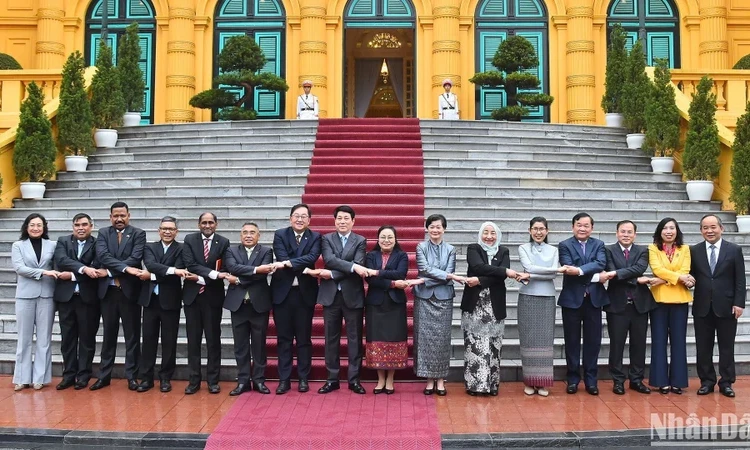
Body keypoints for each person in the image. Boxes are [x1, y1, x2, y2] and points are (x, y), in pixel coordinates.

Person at [310, 205, 368, 395]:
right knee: (330, 339)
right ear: (334, 221)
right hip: (331, 297)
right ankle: (332, 379)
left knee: (354, 339)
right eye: (339, 218)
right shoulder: (326, 239)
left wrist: (332, 274)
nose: (342, 222)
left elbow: (359, 264)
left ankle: (354, 380)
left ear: (353, 221)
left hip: (353, 296)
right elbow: (330, 259)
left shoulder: (360, 240)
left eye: (346, 218)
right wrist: (351, 269)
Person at [461, 222, 523, 396]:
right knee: (475, 345)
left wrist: (480, 280)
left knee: (493, 346)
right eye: (486, 232)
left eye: (493, 233)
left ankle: (492, 385)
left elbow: (499, 278)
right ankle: (474, 385)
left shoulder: (503, 251)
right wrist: (503, 270)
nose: (489, 236)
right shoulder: (473, 248)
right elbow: (478, 267)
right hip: (475, 305)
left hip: (494, 305)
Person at [598, 220, 658, 395]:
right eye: (623, 231)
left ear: (635, 235)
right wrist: (635, 279)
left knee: (638, 345)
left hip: (640, 305)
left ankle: (636, 380)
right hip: (617, 306)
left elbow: (639, 268)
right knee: (617, 345)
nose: (626, 235)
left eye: (629, 232)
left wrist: (618, 273)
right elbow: (610, 269)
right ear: (617, 233)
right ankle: (618, 381)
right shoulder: (607, 250)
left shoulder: (642, 251)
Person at [92, 202, 147, 391]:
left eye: (122, 215)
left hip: (129, 292)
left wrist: (108, 272)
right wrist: (123, 269)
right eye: (115, 215)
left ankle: (132, 377)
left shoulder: (138, 234)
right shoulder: (103, 233)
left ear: (128, 216)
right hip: (107, 293)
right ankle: (104, 376)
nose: (119, 219)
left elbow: (135, 258)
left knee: (132, 337)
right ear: (110, 217)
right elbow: (102, 256)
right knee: (108, 336)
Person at [691, 214, 746, 398]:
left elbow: (740, 279)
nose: (709, 231)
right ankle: (706, 381)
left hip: (727, 306)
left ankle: (726, 382)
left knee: (726, 347)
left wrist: (739, 303)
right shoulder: (694, 251)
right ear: (701, 231)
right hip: (702, 306)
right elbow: (690, 275)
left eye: (713, 227)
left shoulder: (734, 250)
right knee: (703, 347)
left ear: (721, 228)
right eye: (705, 228)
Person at [136, 216, 192, 393]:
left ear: (176, 232)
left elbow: (179, 271)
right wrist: (171, 270)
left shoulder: (182, 249)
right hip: (150, 301)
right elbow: (151, 264)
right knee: (148, 341)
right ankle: (146, 378)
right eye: (164, 228)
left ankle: (165, 378)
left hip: (171, 302)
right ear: (159, 230)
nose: (167, 231)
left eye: (171, 229)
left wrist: (152, 275)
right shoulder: (149, 247)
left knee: (169, 342)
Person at [411, 214, 465, 396]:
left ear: (444, 229)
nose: (435, 230)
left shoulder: (450, 249)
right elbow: (424, 269)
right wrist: (447, 278)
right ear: (427, 229)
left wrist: (424, 280)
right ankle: (428, 380)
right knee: (424, 339)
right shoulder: (421, 247)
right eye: (432, 227)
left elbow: (448, 271)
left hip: (443, 299)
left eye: (438, 227)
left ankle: (441, 380)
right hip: (424, 299)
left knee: (442, 340)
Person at [270, 204, 321, 395]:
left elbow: (312, 257)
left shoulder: (315, 237)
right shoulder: (280, 234)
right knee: (283, 339)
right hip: (282, 294)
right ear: (290, 218)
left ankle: (303, 378)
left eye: (304, 217)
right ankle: (284, 379)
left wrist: (289, 263)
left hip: (304, 295)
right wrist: (295, 261)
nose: (300, 219)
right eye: (296, 216)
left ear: (309, 220)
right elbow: (281, 255)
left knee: (303, 339)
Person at [558, 212, 608, 395]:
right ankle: (572, 379)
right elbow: (567, 266)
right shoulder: (564, 245)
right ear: (573, 227)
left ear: (592, 228)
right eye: (579, 225)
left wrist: (579, 270)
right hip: (572, 300)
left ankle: (591, 381)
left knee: (593, 342)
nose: (582, 228)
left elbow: (600, 263)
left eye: (586, 225)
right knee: (571, 341)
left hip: (594, 300)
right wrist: (590, 273)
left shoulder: (599, 244)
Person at [182, 212, 231, 395]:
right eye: (204, 222)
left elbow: (225, 268)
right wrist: (211, 275)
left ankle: (213, 381)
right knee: (193, 340)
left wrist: (204, 277)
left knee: (213, 340)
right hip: (192, 298)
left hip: (213, 298)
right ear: (198, 224)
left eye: (211, 222)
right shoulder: (189, 240)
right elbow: (190, 264)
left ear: (216, 224)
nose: (207, 225)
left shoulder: (223, 242)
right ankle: (194, 381)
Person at [223, 222, 275, 396]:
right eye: (245, 232)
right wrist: (255, 269)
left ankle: (259, 380)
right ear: (240, 235)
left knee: (259, 345)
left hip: (258, 304)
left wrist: (238, 280)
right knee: (241, 345)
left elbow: (262, 274)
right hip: (238, 305)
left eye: (252, 232)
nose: (248, 235)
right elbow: (232, 268)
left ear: (258, 236)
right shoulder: (231, 251)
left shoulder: (266, 251)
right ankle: (243, 381)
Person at [53, 213, 102, 390]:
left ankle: (83, 375)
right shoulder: (63, 241)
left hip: (88, 299)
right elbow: (61, 260)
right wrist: (83, 269)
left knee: (87, 340)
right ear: (72, 227)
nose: (80, 228)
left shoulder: (98, 243)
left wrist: (73, 274)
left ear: (91, 226)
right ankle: (68, 375)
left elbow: (97, 267)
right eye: (77, 225)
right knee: (68, 339)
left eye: (84, 225)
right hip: (66, 299)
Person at [11, 214, 57, 391]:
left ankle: (40, 378)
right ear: (26, 227)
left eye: (39, 225)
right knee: (24, 338)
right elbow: (19, 268)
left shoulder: (52, 245)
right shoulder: (18, 245)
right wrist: (44, 272)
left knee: (44, 338)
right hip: (24, 296)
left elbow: (57, 265)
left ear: (44, 227)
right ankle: (22, 378)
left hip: (46, 295)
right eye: (32, 225)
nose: (36, 228)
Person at [517, 217, 562, 397]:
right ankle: (529, 381)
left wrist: (532, 273)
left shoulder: (554, 250)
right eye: (535, 229)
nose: (538, 232)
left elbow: (551, 274)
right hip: (527, 297)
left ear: (547, 231)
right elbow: (530, 267)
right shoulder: (523, 248)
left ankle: (542, 383)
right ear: (529, 231)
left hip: (547, 297)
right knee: (528, 340)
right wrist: (553, 271)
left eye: (542, 229)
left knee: (545, 341)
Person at [648, 217, 693, 395]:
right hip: (658, 301)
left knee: (678, 341)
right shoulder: (652, 249)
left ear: (677, 231)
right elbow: (657, 269)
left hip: (680, 301)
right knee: (658, 341)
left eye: (672, 228)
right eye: (665, 228)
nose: (668, 231)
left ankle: (678, 382)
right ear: (660, 231)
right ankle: (661, 381)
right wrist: (678, 278)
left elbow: (685, 269)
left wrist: (666, 279)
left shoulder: (685, 249)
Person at [364, 225, 409, 395]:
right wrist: (391, 282)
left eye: (390, 237)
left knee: (395, 339)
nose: (386, 240)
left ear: (395, 239)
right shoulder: (371, 255)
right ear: (377, 239)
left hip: (395, 304)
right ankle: (380, 378)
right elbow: (370, 279)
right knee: (376, 338)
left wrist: (378, 272)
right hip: (375, 303)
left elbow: (401, 274)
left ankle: (390, 378)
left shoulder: (402, 255)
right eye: (383, 237)